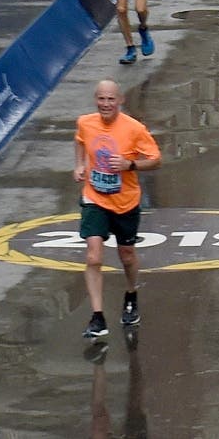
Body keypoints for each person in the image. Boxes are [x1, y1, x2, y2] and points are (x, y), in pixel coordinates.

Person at [74, 80, 161, 338]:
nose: (105, 104)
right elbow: (79, 141)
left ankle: (132, 293)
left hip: (125, 201)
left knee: (127, 255)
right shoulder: (85, 123)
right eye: (101, 99)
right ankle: (97, 317)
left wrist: (129, 165)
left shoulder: (134, 129)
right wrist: (79, 165)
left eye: (111, 99)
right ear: (95, 100)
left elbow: (155, 160)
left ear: (120, 100)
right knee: (94, 256)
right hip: (94, 198)